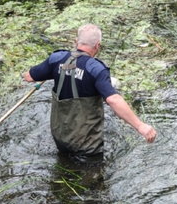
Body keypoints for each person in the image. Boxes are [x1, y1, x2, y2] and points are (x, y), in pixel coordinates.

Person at [22, 24, 157, 156]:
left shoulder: (56, 59)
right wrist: (140, 126)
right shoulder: (96, 69)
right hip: (87, 146)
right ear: (97, 46)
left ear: (76, 42)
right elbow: (113, 99)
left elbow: (29, 77)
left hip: (60, 139)